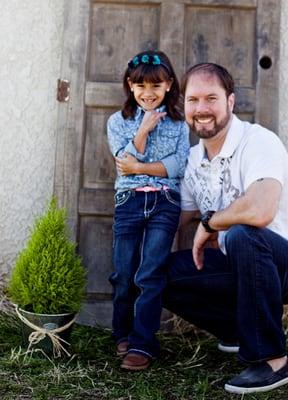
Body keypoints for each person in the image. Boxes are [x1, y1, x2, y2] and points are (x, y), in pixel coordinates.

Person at [162, 63, 288, 394]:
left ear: (230, 101)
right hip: (241, 264)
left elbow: (260, 209)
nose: (202, 109)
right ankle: (240, 331)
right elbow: (175, 219)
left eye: (211, 98)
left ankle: (273, 361)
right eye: (194, 100)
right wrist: (136, 263)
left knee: (243, 233)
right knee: (157, 273)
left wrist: (210, 222)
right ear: (184, 106)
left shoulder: (258, 141)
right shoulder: (194, 160)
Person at [107, 50, 190, 370]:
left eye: (156, 85)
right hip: (129, 202)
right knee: (124, 272)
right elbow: (122, 163)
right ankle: (122, 333)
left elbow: (177, 166)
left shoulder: (180, 125)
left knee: (151, 272)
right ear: (130, 85)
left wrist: (140, 165)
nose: (148, 93)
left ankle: (143, 343)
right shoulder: (118, 121)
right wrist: (143, 129)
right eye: (140, 85)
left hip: (164, 204)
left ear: (169, 85)